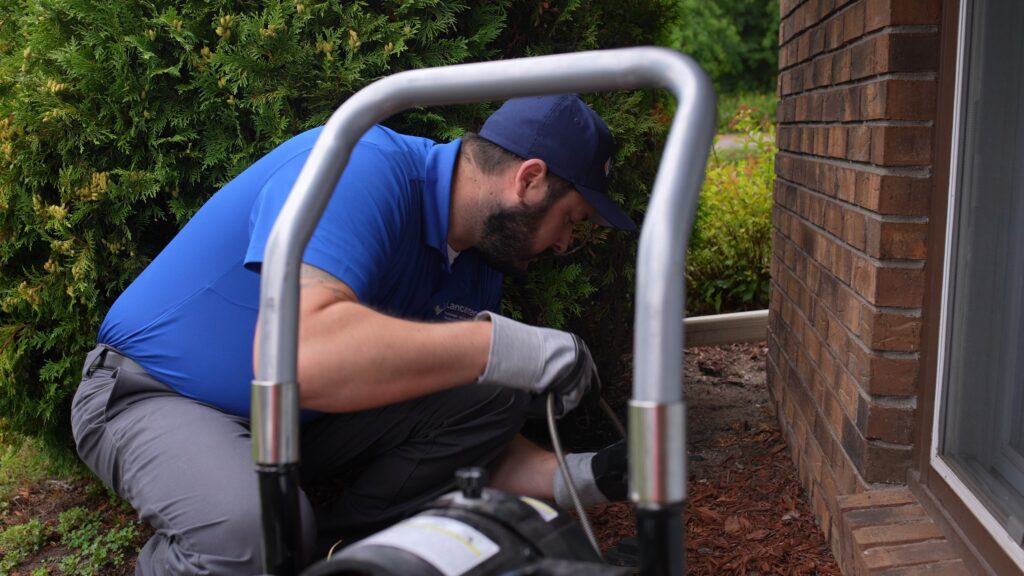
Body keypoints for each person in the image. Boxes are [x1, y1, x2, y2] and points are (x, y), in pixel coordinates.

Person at [70, 93, 633, 575]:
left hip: (290, 422)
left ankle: (339, 560)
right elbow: (299, 356)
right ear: (529, 180)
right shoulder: (360, 166)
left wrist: (582, 478)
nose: (565, 244)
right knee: (253, 535)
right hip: (154, 394)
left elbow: (467, 424)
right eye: (573, 220)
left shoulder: (476, 266)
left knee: (494, 393)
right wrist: (507, 346)